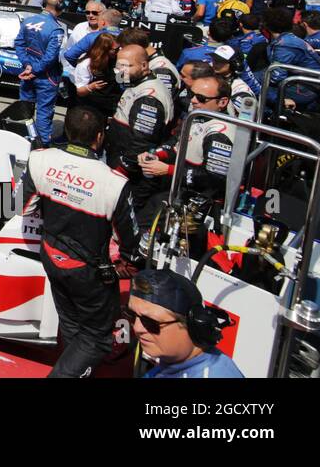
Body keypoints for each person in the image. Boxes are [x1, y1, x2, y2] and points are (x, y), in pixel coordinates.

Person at [22, 105, 143, 377]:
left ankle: (77, 368)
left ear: (66, 131)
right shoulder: (115, 183)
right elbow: (130, 244)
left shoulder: (39, 159)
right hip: (89, 270)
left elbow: (23, 208)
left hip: (51, 256)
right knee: (98, 338)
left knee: (71, 322)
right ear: (100, 137)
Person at [128, 268, 243, 378]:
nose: (137, 328)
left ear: (193, 324)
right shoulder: (174, 362)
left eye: (150, 322)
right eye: (131, 315)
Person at [106, 43, 176, 224]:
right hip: (120, 160)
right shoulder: (135, 81)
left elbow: (142, 143)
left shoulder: (149, 98)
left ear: (144, 66)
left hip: (133, 174)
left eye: (126, 66)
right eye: (118, 65)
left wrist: (122, 169)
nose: (121, 71)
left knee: (125, 219)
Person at [14, 0, 65, 147]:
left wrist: (27, 66)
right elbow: (50, 57)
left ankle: (22, 141)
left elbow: (18, 44)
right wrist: (34, 70)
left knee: (25, 109)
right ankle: (42, 145)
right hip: (46, 77)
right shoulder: (56, 29)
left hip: (27, 73)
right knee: (44, 113)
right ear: (60, 6)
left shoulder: (28, 21)